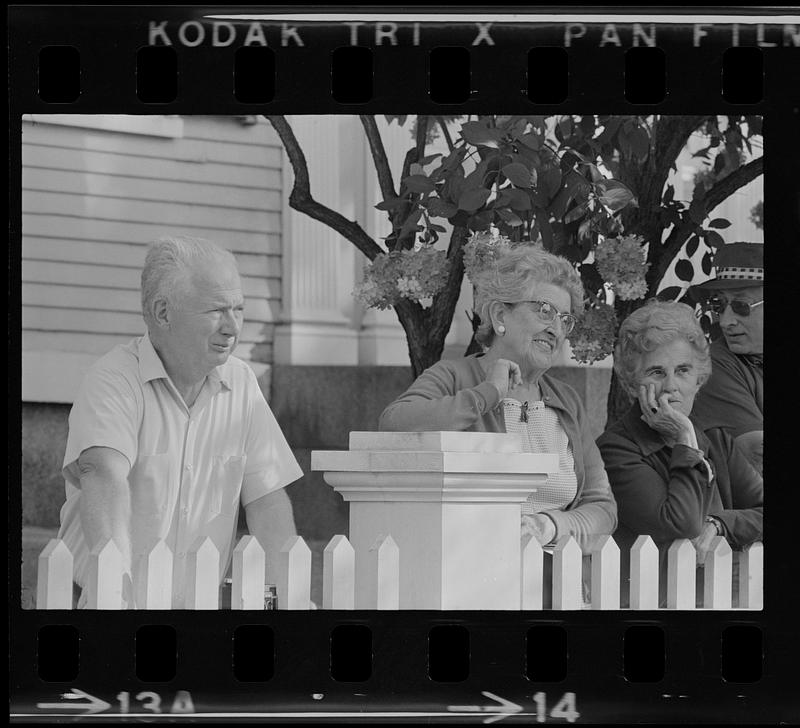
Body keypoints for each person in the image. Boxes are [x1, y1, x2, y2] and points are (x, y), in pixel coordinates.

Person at [57, 236, 303, 608]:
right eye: (216, 310)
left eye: (238, 309)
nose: (232, 327)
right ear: (163, 313)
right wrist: (115, 600)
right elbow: (104, 478)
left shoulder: (242, 383)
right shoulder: (113, 380)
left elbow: (267, 501)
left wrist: (292, 601)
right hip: (104, 607)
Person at [379, 244, 617, 552]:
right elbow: (394, 424)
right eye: (545, 310)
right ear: (500, 314)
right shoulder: (454, 377)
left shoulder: (567, 401)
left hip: (557, 575)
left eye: (565, 319)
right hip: (475, 567)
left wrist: (550, 526)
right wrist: (488, 393)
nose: (556, 330)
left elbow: (603, 507)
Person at [596, 300, 762, 603]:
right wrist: (685, 440)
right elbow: (682, 524)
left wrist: (720, 524)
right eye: (657, 372)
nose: (671, 386)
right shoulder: (615, 449)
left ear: (699, 380)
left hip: (720, 600)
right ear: (633, 384)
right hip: (649, 607)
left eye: (683, 370)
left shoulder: (717, 441)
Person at [690, 242, 763, 474]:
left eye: (741, 306)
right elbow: (756, 453)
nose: (725, 321)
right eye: (718, 305)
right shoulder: (714, 365)